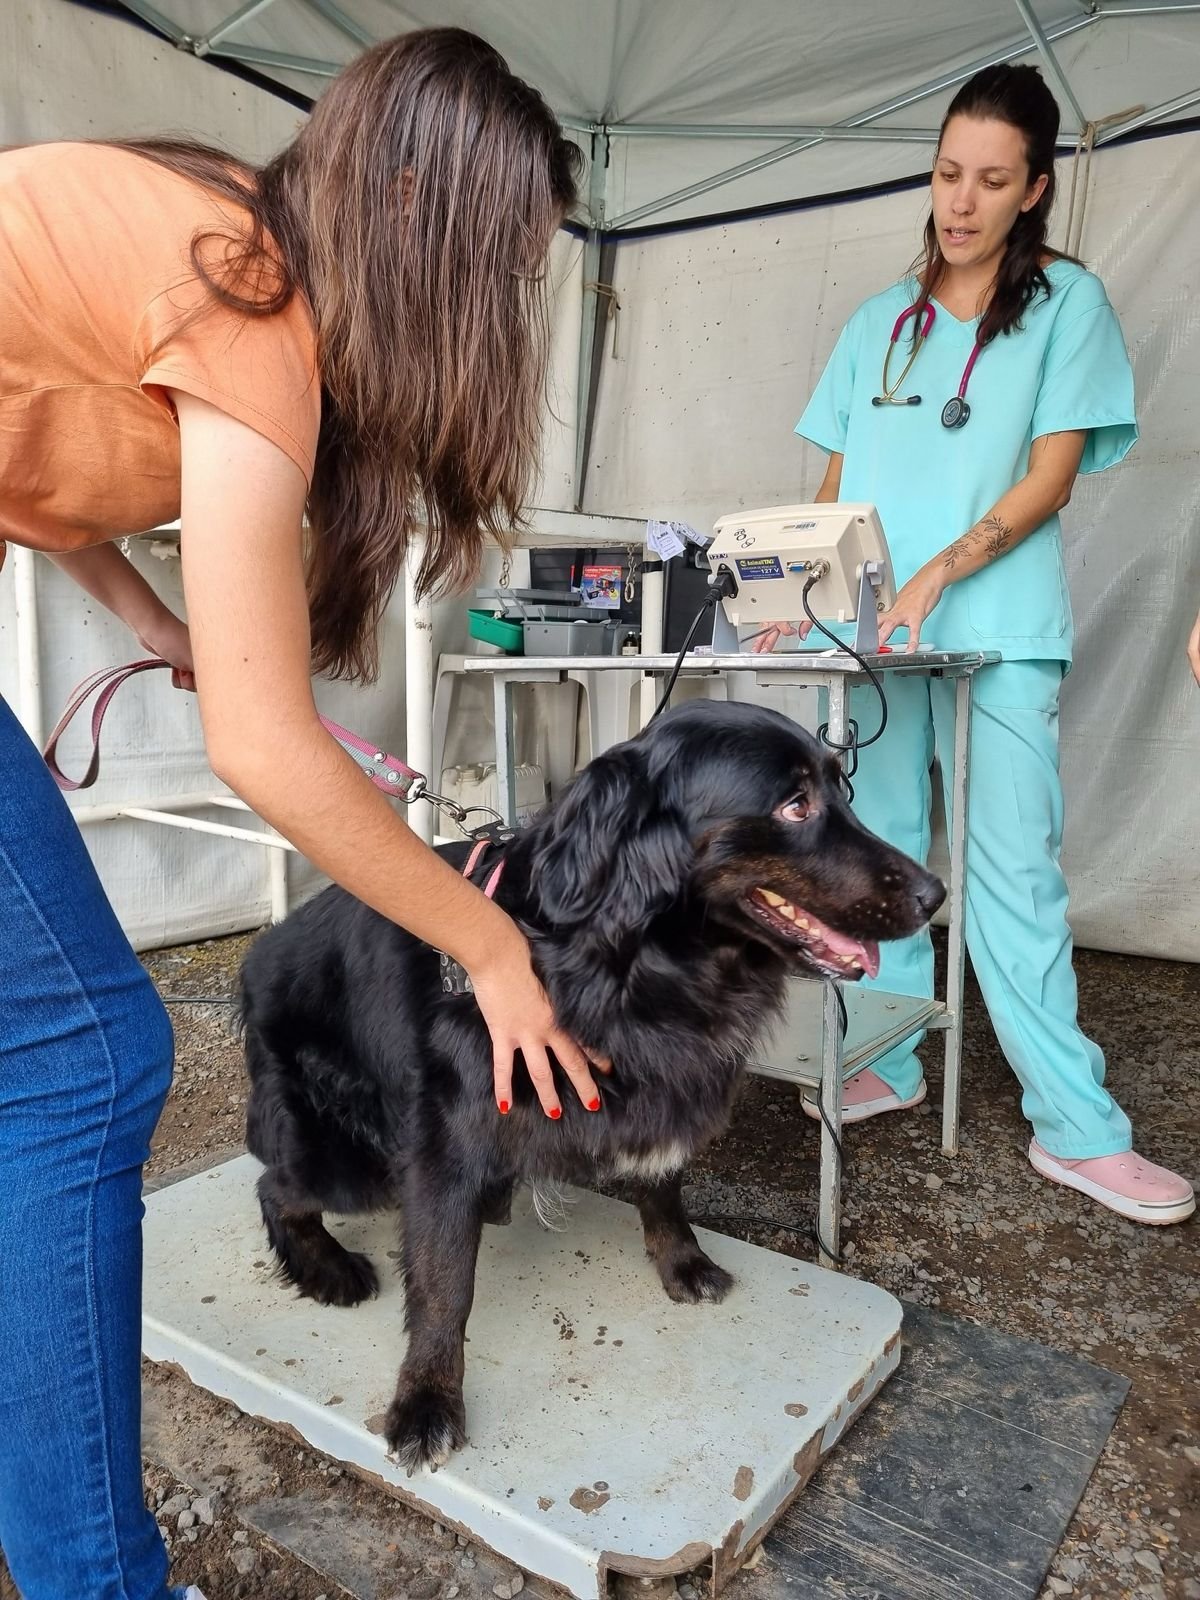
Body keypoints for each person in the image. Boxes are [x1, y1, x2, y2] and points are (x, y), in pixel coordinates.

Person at [0, 29, 609, 1600]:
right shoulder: (252, 307)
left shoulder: (213, 240)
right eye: (508, 266)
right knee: (88, 1063)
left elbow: (31, 424)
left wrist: (145, 611)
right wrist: (489, 947)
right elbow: (273, 759)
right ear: (427, 221)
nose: (506, 312)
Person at [754, 64, 1193, 1226]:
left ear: (1033, 189)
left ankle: (1076, 1128)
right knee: (874, 863)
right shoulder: (876, 328)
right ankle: (886, 1058)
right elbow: (835, 489)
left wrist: (943, 567)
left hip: (998, 639)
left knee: (1013, 881)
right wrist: (800, 584)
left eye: (991, 181)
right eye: (949, 173)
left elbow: (1050, 480)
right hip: (877, 650)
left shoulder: (1069, 308)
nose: (960, 200)